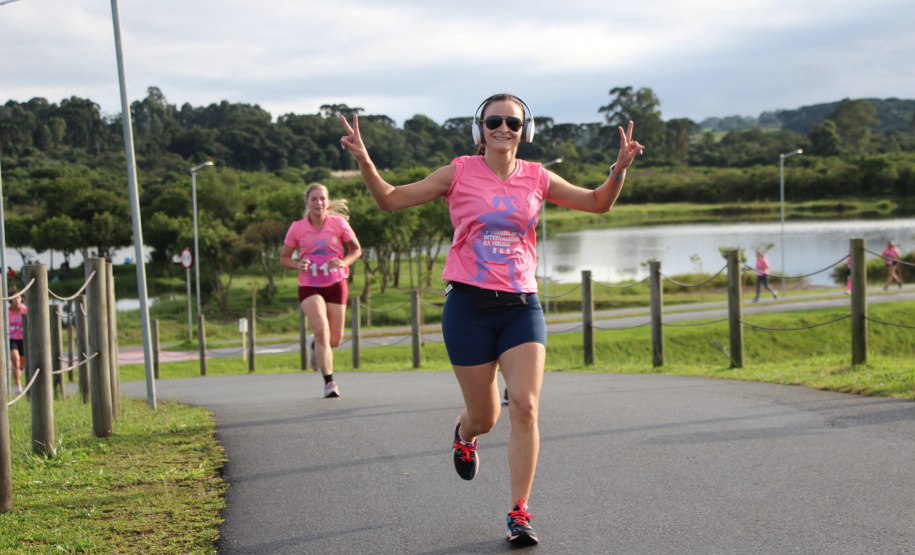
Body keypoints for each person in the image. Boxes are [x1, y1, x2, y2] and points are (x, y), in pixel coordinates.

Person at [340, 93, 645, 545]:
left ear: (527, 131)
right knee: (486, 416)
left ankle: (518, 512)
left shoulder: (538, 177)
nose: (504, 128)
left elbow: (599, 203)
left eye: (513, 123)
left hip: (521, 306)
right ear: (479, 127)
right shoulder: (459, 172)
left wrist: (618, 168)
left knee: (525, 405)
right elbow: (388, 200)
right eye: (495, 121)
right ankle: (465, 433)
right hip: (468, 307)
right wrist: (365, 159)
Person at [280, 183, 362, 398]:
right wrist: (298, 264)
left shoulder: (339, 223)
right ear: (307, 203)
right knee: (322, 332)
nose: (319, 203)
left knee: (334, 340)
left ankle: (313, 344)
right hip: (309, 286)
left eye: (323, 199)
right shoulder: (297, 228)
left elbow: (356, 249)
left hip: (336, 284)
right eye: (314, 199)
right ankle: (330, 383)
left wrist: (344, 262)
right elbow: (284, 257)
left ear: (328, 201)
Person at [8, 287, 27, 393]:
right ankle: (18, 386)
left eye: (18, 297)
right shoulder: (6, 312)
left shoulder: (25, 310)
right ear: (11, 299)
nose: (16, 300)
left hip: (24, 339)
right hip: (12, 339)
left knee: (22, 365)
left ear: (22, 299)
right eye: (14, 298)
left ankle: (23, 375)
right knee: (15, 360)